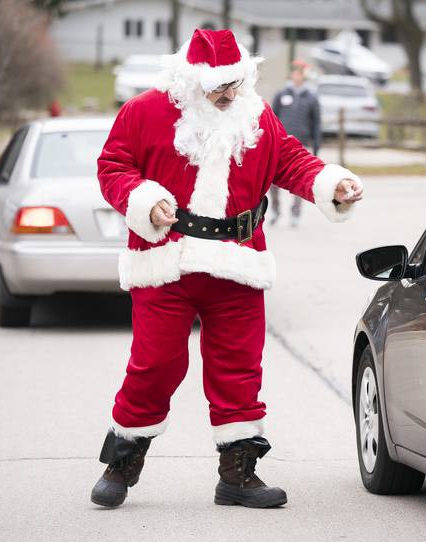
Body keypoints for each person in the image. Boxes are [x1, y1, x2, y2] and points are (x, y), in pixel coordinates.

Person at [90, 28, 363, 510]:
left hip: (237, 262)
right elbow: (113, 166)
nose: (228, 95)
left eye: (235, 84)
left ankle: (238, 474)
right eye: (218, 86)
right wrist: (145, 202)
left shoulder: (255, 114)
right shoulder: (145, 111)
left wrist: (331, 184)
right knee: (155, 364)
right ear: (192, 80)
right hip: (166, 261)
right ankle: (124, 458)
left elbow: (291, 161)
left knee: (239, 368)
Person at [269, 59, 322, 227]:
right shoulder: (281, 94)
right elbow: (272, 119)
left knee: (300, 180)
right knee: (273, 181)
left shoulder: (312, 98)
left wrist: (316, 146)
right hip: (280, 144)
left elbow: (316, 123)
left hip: (301, 145)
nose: (297, 76)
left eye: (301, 73)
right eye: (295, 72)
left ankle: (296, 213)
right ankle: (276, 210)